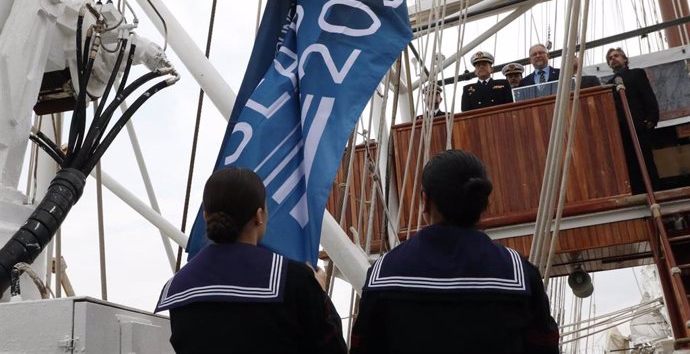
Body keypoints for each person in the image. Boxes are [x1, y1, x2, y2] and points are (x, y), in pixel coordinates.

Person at [350, 150, 559, 353]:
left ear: (425, 200)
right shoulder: (518, 274)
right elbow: (544, 345)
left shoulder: (384, 273)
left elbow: (364, 346)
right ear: (482, 202)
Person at [155, 167, 347, 354]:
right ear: (259, 215)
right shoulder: (293, 279)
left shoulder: (177, 288)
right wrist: (320, 294)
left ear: (206, 217)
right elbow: (332, 347)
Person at [605, 47, 660, 194]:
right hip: (622, 131)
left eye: (616, 56)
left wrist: (651, 119)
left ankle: (655, 193)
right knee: (630, 164)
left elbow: (648, 96)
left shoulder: (637, 74)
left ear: (624, 59)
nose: (613, 59)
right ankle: (638, 195)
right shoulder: (609, 85)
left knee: (646, 161)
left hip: (639, 125)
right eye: (610, 58)